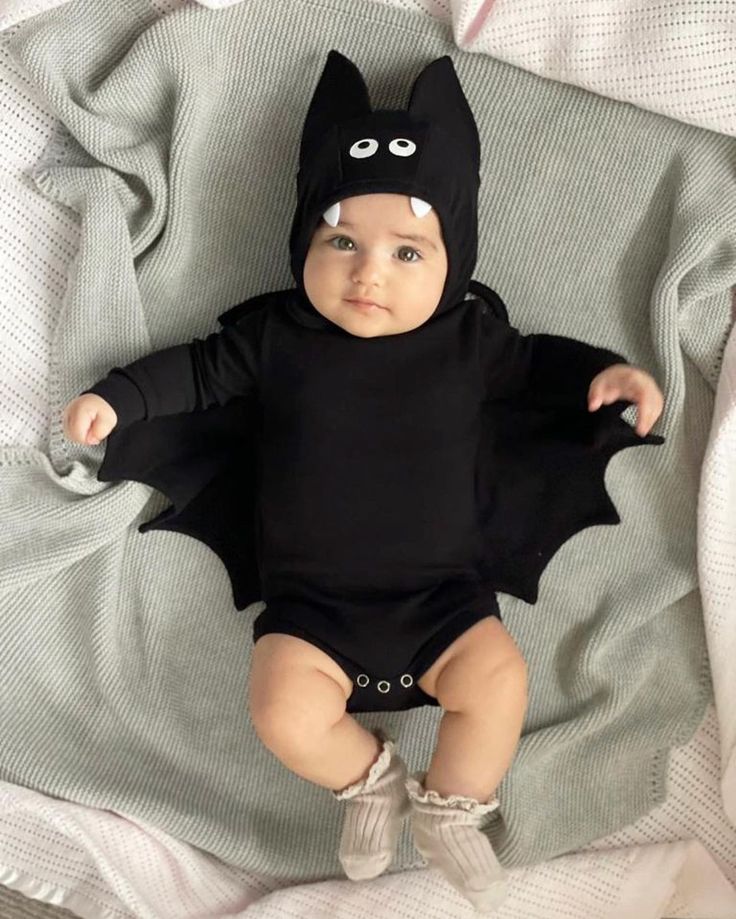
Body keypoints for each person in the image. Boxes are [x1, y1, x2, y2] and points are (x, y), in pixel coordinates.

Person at [62, 51, 664, 913]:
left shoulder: (470, 343)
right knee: (281, 711)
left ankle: (453, 804)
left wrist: (604, 377)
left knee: (498, 686)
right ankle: (368, 779)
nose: (367, 270)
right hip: (310, 613)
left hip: (448, 602)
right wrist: (118, 396)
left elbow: (539, 367)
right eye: (340, 239)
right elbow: (194, 374)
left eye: (407, 250)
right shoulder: (275, 337)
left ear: (453, 261)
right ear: (304, 234)